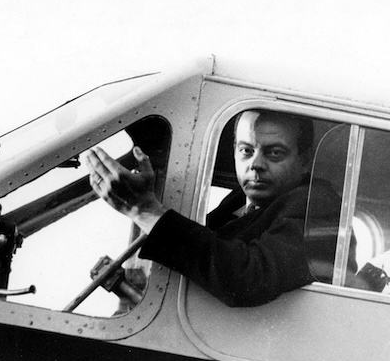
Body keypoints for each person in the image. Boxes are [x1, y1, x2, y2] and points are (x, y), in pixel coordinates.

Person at [84, 110, 345, 306]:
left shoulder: (317, 207)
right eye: (246, 150)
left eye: (274, 153)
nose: (255, 164)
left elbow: (249, 277)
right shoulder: (238, 203)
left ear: (304, 161)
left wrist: (145, 210)